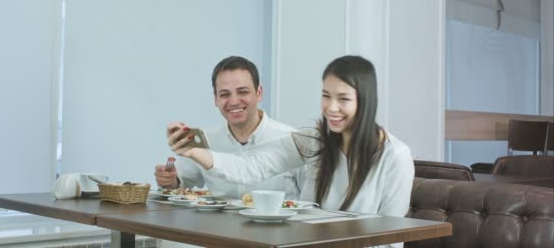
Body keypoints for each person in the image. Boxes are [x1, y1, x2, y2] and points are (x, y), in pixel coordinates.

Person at [168, 55, 414, 220]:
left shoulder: (395, 156)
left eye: (344, 99)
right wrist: (194, 152)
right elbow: (252, 167)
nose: (331, 107)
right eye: (326, 96)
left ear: (366, 100)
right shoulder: (312, 141)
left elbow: (390, 239)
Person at [154, 56, 303, 200]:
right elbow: (181, 181)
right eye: (224, 94)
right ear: (215, 99)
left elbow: (315, 204)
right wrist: (170, 180)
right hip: (216, 226)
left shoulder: (293, 140)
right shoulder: (204, 139)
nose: (234, 101)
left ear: (259, 93)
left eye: (243, 92)